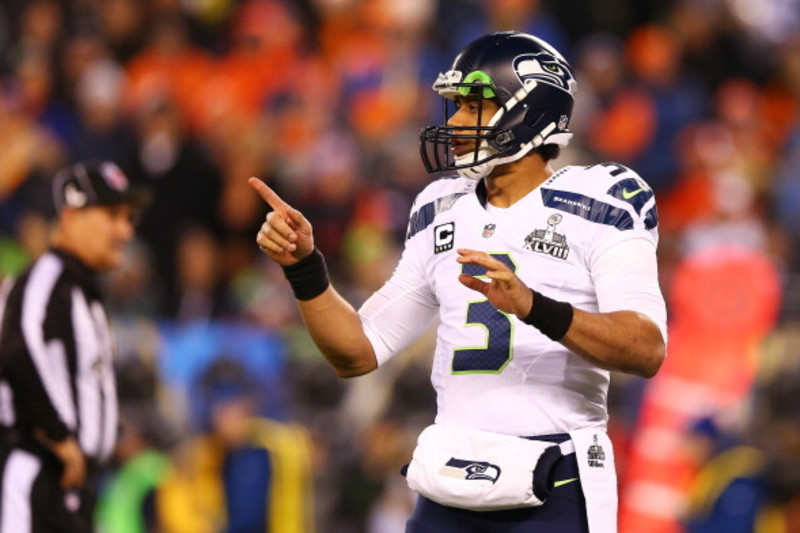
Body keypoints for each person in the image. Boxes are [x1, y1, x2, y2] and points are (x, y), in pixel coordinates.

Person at [249, 31, 667, 533]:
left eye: (474, 107)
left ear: (528, 111)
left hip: (556, 474)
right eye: (457, 107)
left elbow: (646, 349)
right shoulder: (441, 206)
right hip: (453, 472)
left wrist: (536, 307)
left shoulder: (599, 200)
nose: (456, 122)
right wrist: (304, 266)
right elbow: (357, 351)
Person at [0, 160, 148, 532]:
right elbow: (16, 350)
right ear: (71, 216)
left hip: (72, 485)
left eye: (129, 218)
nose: (125, 231)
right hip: (37, 475)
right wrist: (59, 435)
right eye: (112, 215)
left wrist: (111, 435)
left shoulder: (82, 291)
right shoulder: (47, 278)